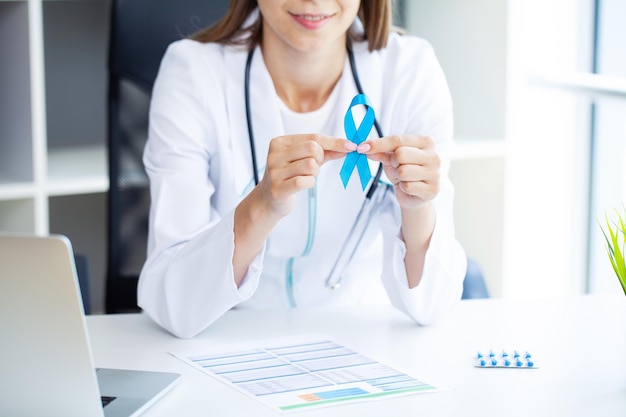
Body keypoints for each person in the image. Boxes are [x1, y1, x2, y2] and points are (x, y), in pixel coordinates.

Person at [138, 0, 467, 338]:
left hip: (365, 334)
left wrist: (418, 208)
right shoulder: (192, 72)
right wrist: (262, 204)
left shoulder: (410, 70)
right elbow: (172, 304)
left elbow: (432, 305)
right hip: (228, 333)